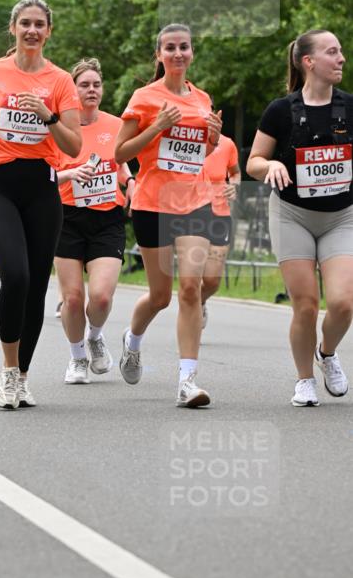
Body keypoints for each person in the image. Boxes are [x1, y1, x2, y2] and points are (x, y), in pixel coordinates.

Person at [0, 0, 81, 409]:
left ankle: (23, 377)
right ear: (12, 28)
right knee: (16, 276)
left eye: (39, 25)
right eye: (24, 23)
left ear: (49, 32)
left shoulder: (61, 80)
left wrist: (48, 116)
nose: (32, 30)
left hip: (42, 188)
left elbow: (74, 143)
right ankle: (8, 372)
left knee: (37, 287)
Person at [115, 23, 222, 408]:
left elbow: (199, 157)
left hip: (194, 201)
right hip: (152, 205)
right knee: (160, 297)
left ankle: (187, 380)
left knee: (190, 289)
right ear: (159, 55)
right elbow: (120, 153)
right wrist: (157, 127)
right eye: (171, 48)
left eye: (185, 47)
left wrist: (211, 139)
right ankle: (133, 340)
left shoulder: (203, 98)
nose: (178, 53)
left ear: (192, 53)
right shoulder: (145, 97)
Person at [247, 29, 352, 406]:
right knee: (306, 304)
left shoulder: (350, 107)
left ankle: (326, 353)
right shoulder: (280, 110)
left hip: (342, 217)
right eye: (333, 52)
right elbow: (253, 162)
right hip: (292, 215)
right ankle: (304, 378)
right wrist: (270, 164)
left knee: (343, 303)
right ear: (309, 62)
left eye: (340, 52)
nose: (341, 58)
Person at [54, 57, 133, 384]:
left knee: (100, 296)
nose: (91, 90)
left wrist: (132, 184)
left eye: (96, 85)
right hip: (67, 218)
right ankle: (76, 359)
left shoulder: (116, 126)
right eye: (84, 85)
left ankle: (95, 336)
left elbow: (123, 167)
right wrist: (71, 173)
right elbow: (45, 176)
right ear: (73, 90)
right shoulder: (59, 127)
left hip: (107, 218)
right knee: (73, 299)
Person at [200, 134, 241, 328]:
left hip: (219, 214)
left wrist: (234, 185)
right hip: (188, 213)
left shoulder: (227, 144)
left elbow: (235, 173)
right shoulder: (184, 138)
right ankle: (190, 309)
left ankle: (199, 301)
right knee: (192, 274)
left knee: (212, 280)